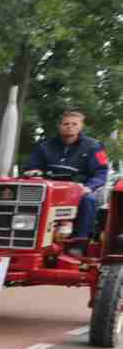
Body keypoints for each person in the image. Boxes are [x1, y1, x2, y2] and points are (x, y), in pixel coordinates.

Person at [19, 107, 110, 250]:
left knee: (89, 200)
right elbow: (31, 166)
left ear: (81, 126)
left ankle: (79, 244)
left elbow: (101, 173)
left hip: (79, 190)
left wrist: (88, 187)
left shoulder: (94, 146)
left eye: (74, 124)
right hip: (50, 189)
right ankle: (24, 238)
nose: (69, 126)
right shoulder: (45, 146)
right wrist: (32, 171)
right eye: (66, 123)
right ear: (60, 126)